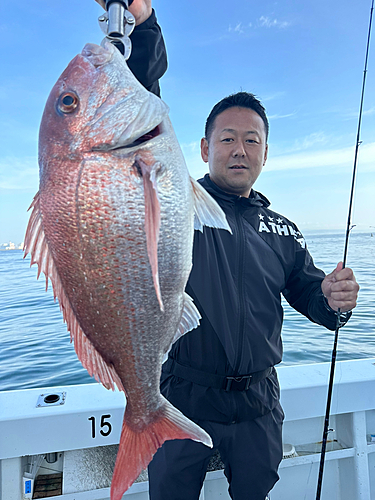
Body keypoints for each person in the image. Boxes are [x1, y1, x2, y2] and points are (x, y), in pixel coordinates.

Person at [98, 1, 360, 498]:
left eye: (252, 140)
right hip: (182, 392)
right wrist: (143, 22)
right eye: (227, 139)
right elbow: (137, 104)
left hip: (259, 402)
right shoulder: (177, 204)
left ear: (265, 152)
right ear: (203, 148)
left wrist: (333, 297)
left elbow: (313, 299)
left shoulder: (282, 229)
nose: (239, 149)